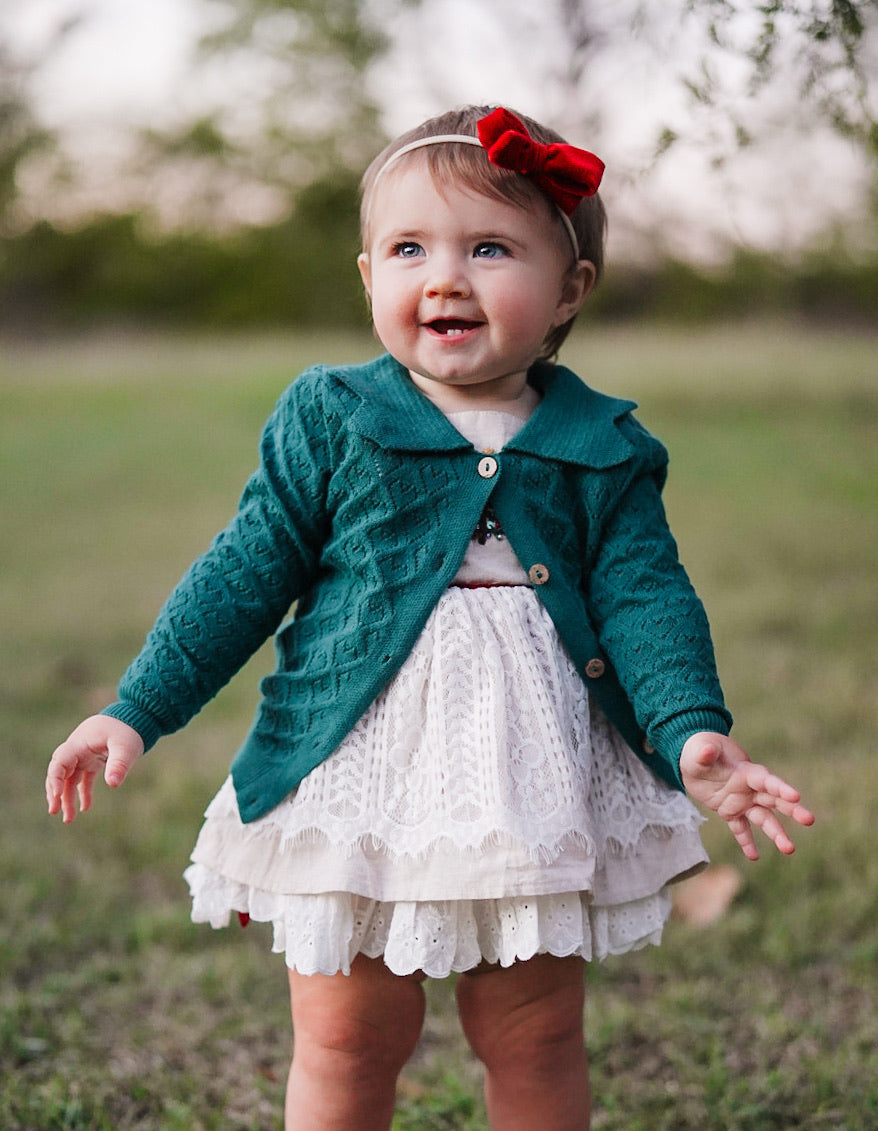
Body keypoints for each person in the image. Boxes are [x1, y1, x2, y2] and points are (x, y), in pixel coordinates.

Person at [45, 105, 814, 1130]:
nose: (444, 277)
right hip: (364, 768)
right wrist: (135, 709)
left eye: (488, 248)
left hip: (528, 776)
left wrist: (689, 731)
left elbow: (646, 600)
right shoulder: (332, 417)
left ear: (567, 290)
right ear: (369, 277)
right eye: (409, 248)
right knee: (348, 1033)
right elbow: (241, 574)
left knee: (533, 1031)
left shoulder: (601, 443)